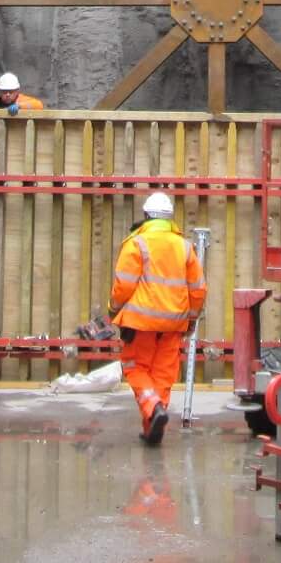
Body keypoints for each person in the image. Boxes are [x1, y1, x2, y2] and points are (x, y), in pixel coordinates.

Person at [108, 190, 205, 445]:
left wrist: (114, 310)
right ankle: (152, 425)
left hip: (141, 322)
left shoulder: (137, 243)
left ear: (146, 215)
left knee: (135, 367)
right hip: (174, 323)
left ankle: (153, 409)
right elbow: (198, 289)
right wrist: (191, 319)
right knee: (163, 374)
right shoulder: (184, 247)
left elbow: (124, 284)